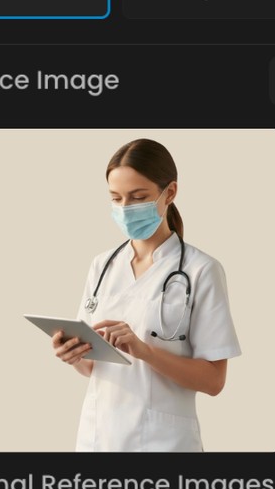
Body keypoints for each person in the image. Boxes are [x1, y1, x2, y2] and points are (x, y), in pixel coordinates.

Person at [50, 138, 242, 451]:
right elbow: (93, 367)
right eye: (116, 198)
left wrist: (144, 351)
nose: (125, 209)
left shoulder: (201, 270)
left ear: (170, 193)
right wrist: (73, 356)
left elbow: (214, 382)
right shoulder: (102, 265)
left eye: (138, 197)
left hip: (163, 443)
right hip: (97, 438)